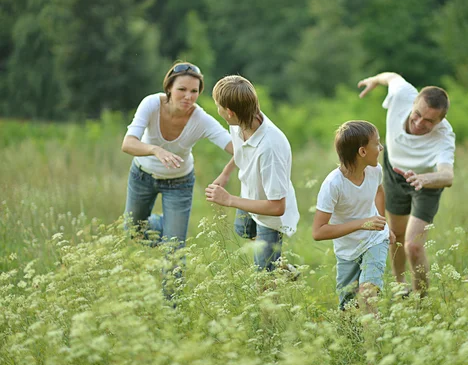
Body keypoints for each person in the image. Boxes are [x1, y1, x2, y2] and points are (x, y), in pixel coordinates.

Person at [357, 72, 455, 297]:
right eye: (417, 115)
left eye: (429, 121)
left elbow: (447, 176)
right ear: (413, 103)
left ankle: (422, 302)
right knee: (396, 234)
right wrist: (374, 80)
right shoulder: (402, 94)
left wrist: (424, 179)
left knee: (414, 246)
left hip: (426, 182)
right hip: (395, 172)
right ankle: (400, 286)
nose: (419, 123)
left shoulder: (444, 136)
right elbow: (391, 76)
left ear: (440, 121)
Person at [122, 62, 233, 247]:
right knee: (134, 232)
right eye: (182, 89)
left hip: (179, 184)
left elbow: (238, 150)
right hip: (142, 177)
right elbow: (128, 144)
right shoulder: (151, 104)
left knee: (174, 248)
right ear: (169, 88)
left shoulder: (202, 120)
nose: (188, 97)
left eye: (194, 91)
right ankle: (166, 224)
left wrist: (226, 173)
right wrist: (155, 150)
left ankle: (173, 230)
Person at [205, 75, 299, 272]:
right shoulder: (243, 119)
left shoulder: (270, 148)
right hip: (250, 195)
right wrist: (226, 172)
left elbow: (277, 207)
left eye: (218, 105)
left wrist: (229, 200)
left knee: (263, 278)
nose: (217, 108)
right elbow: (243, 148)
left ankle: (276, 272)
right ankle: (282, 267)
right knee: (244, 231)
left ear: (229, 112)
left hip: (269, 215)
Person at [312, 121, 395, 311]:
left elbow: (379, 192)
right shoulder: (333, 184)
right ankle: (353, 339)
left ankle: (374, 341)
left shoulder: (375, 171)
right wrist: (362, 223)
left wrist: (381, 224)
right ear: (362, 152)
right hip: (347, 251)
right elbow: (318, 231)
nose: (381, 148)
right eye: (377, 143)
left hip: (374, 240)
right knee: (348, 310)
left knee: (367, 294)